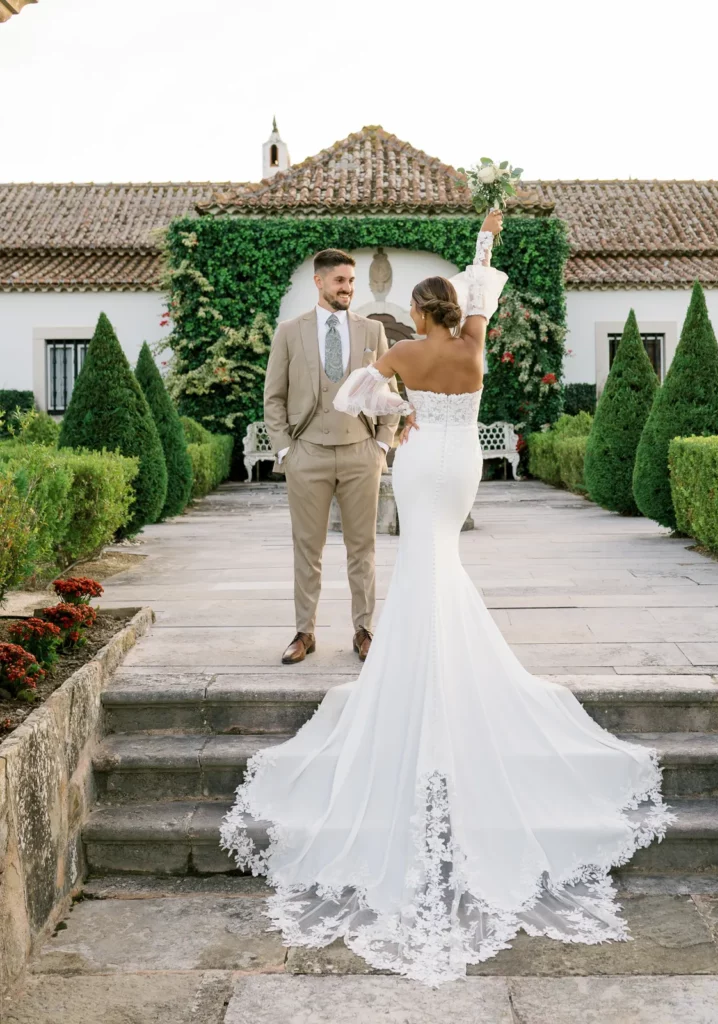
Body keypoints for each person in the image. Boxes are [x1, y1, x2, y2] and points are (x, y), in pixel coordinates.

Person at [222, 212, 673, 986]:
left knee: (417, 565)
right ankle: (447, 665)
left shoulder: (397, 351)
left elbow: (361, 402)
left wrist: (393, 431)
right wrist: (486, 239)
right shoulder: (471, 350)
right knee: (444, 562)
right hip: (460, 465)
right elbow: (481, 290)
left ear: (415, 312)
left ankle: (411, 666)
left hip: (419, 459)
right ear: (451, 310)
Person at [263, 249, 400, 665]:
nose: (348, 289)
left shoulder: (372, 331)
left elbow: (389, 393)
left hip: (360, 453)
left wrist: (381, 445)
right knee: (308, 548)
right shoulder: (289, 331)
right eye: (341, 281)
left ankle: (364, 630)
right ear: (319, 282)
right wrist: (286, 448)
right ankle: (305, 632)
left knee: (364, 548)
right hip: (308, 454)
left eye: (352, 282)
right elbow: (274, 396)